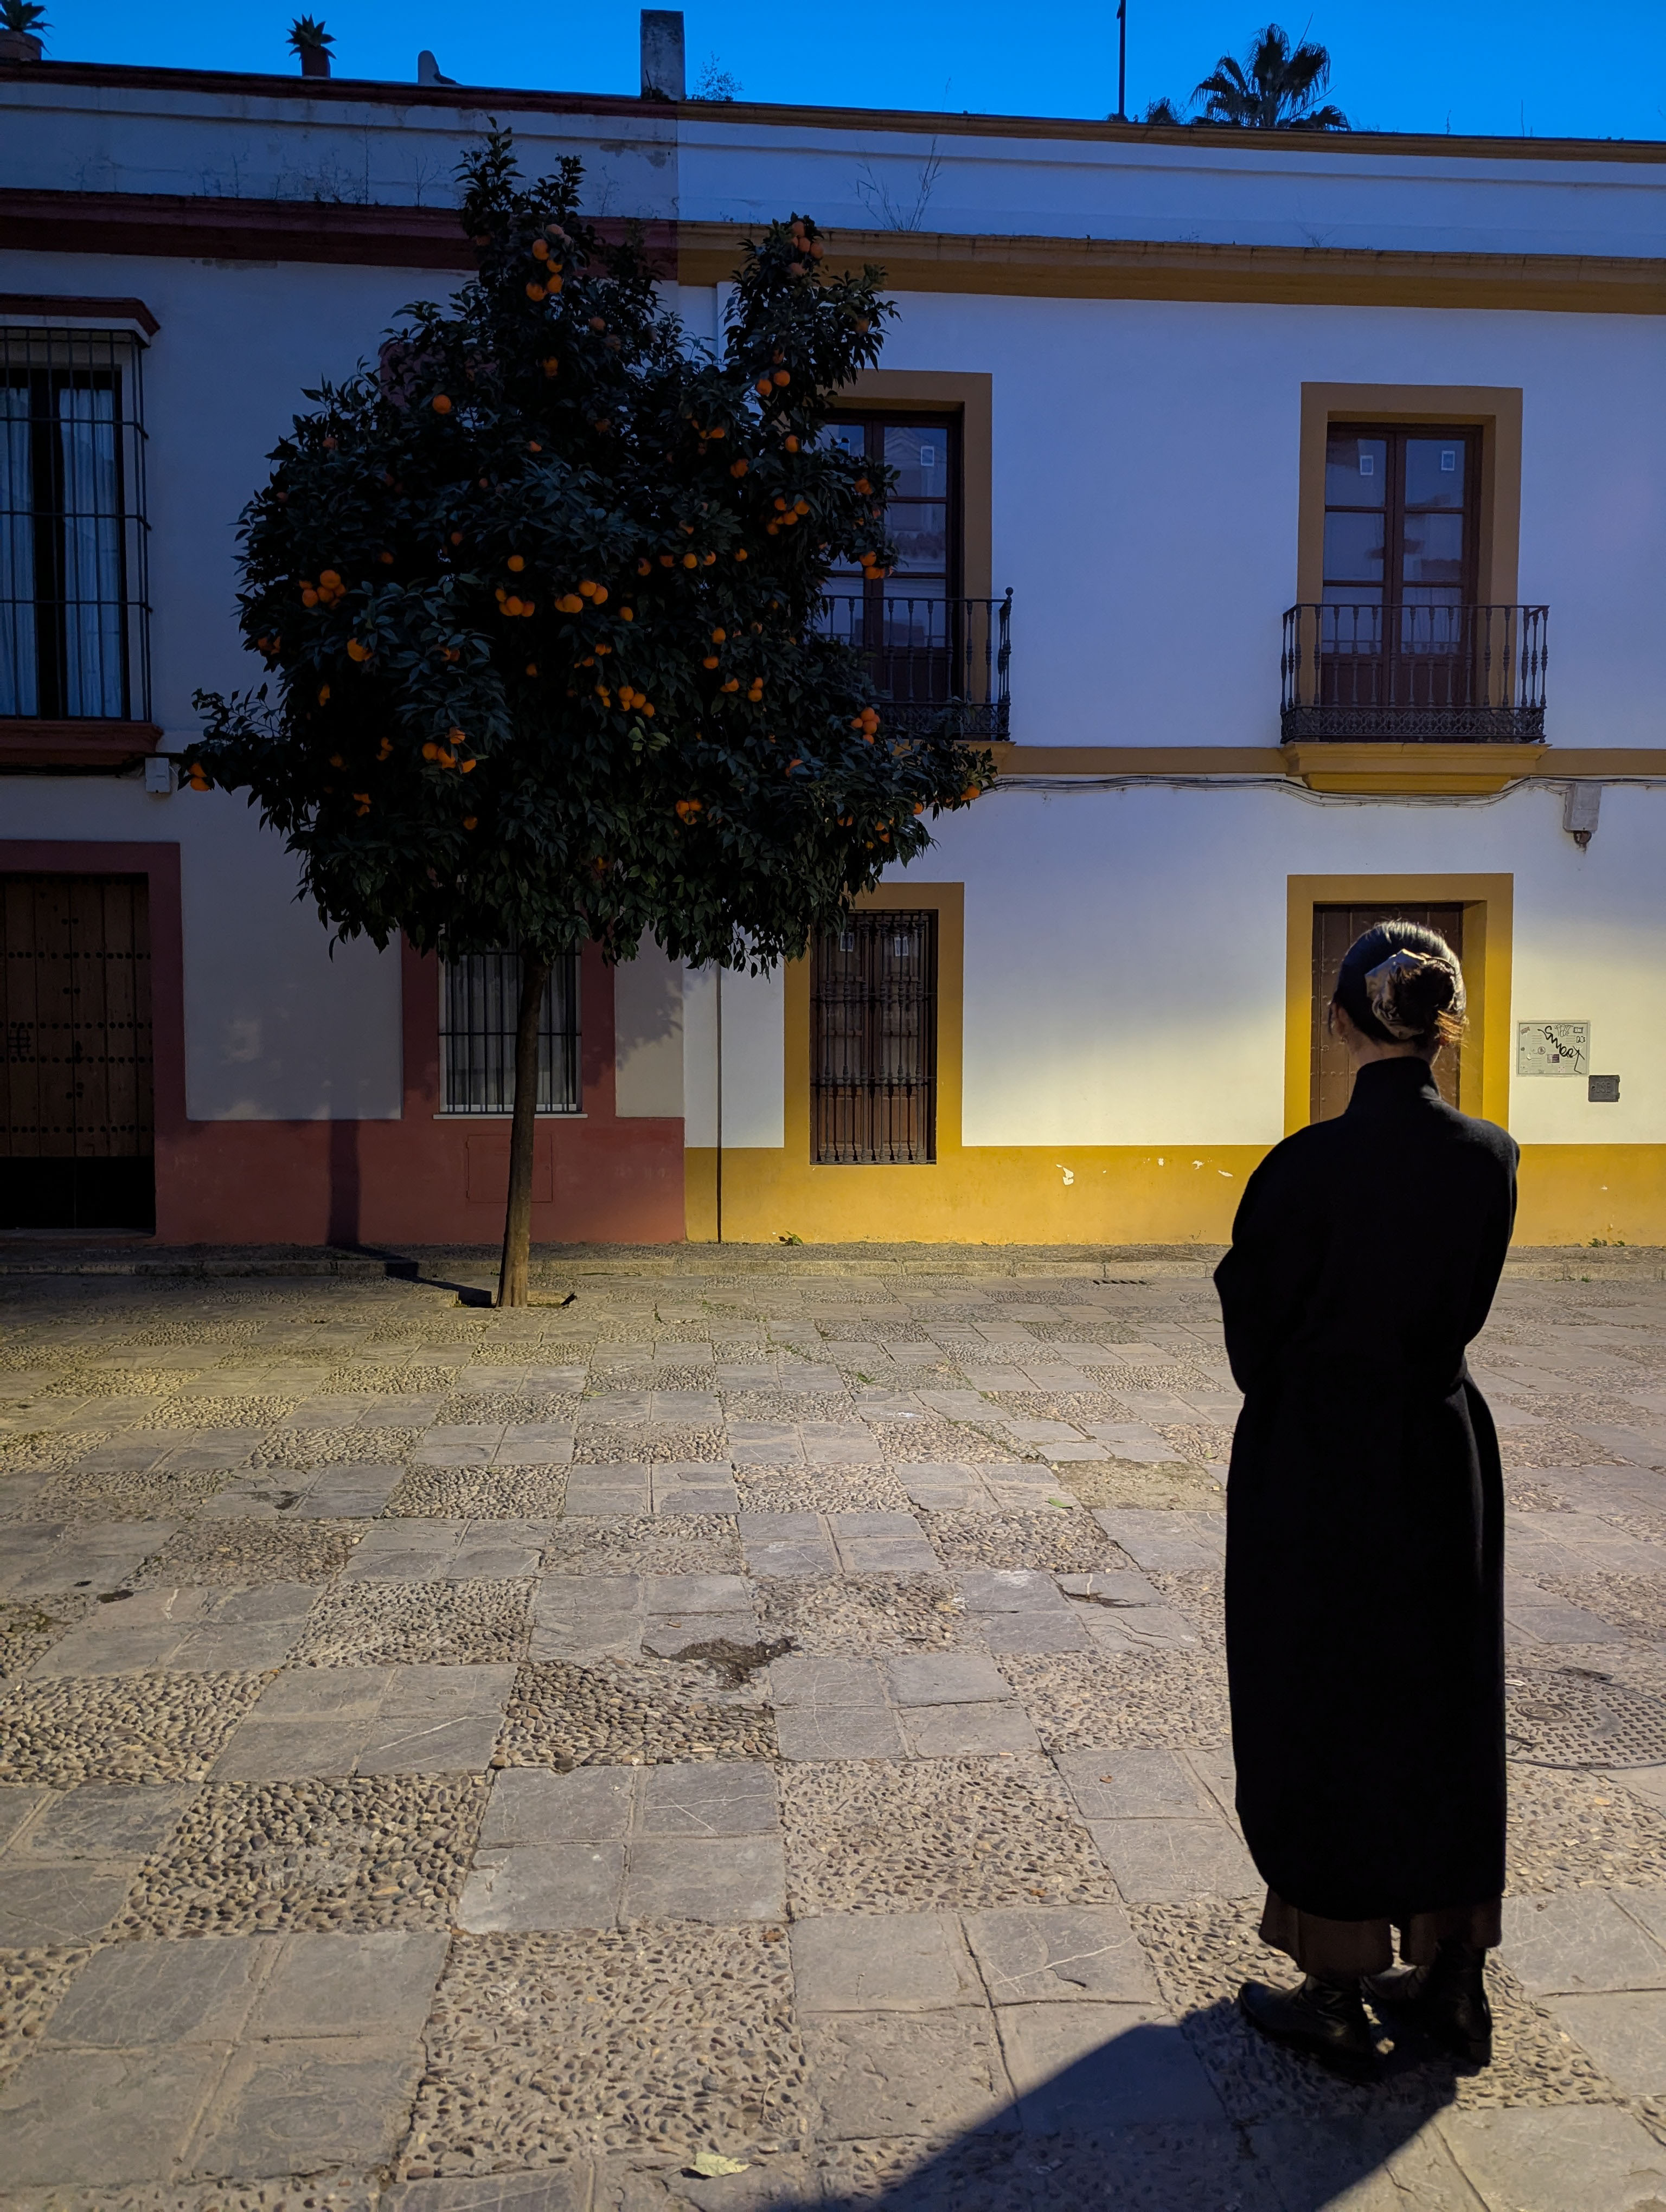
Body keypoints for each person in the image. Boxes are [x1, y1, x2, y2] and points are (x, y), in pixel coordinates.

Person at [1215, 918, 1518, 2082]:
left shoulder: (1301, 1172)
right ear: (1445, 1029)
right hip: (1443, 1455)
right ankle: (1453, 1977)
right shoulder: (1491, 1156)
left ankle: (1335, 1986)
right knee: (1443, 1695)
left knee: (1319, 1691)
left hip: (1317, 1462)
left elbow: (1257, 1344)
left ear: (1341, 1025)